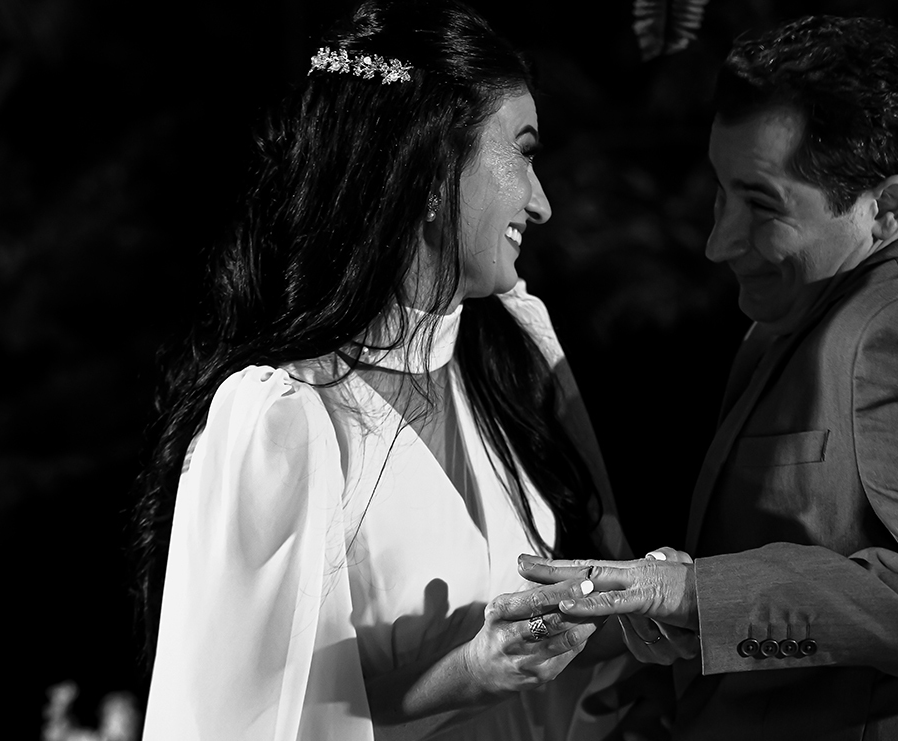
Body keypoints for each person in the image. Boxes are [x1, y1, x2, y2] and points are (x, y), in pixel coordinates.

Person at [518, 14, 898, 740]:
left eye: (762, 205)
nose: (717, 241)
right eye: (721, 192)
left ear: (885, 207)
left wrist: (697, 595)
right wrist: (685, 642)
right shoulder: (808, 319)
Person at [130, 1, 634, 738]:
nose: (541, 203)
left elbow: (599, 598)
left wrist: (656, 600)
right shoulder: (281, 419)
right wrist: (466, 672)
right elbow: (249, 717)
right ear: (431, 171)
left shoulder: (517, 349)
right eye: (522, 152)